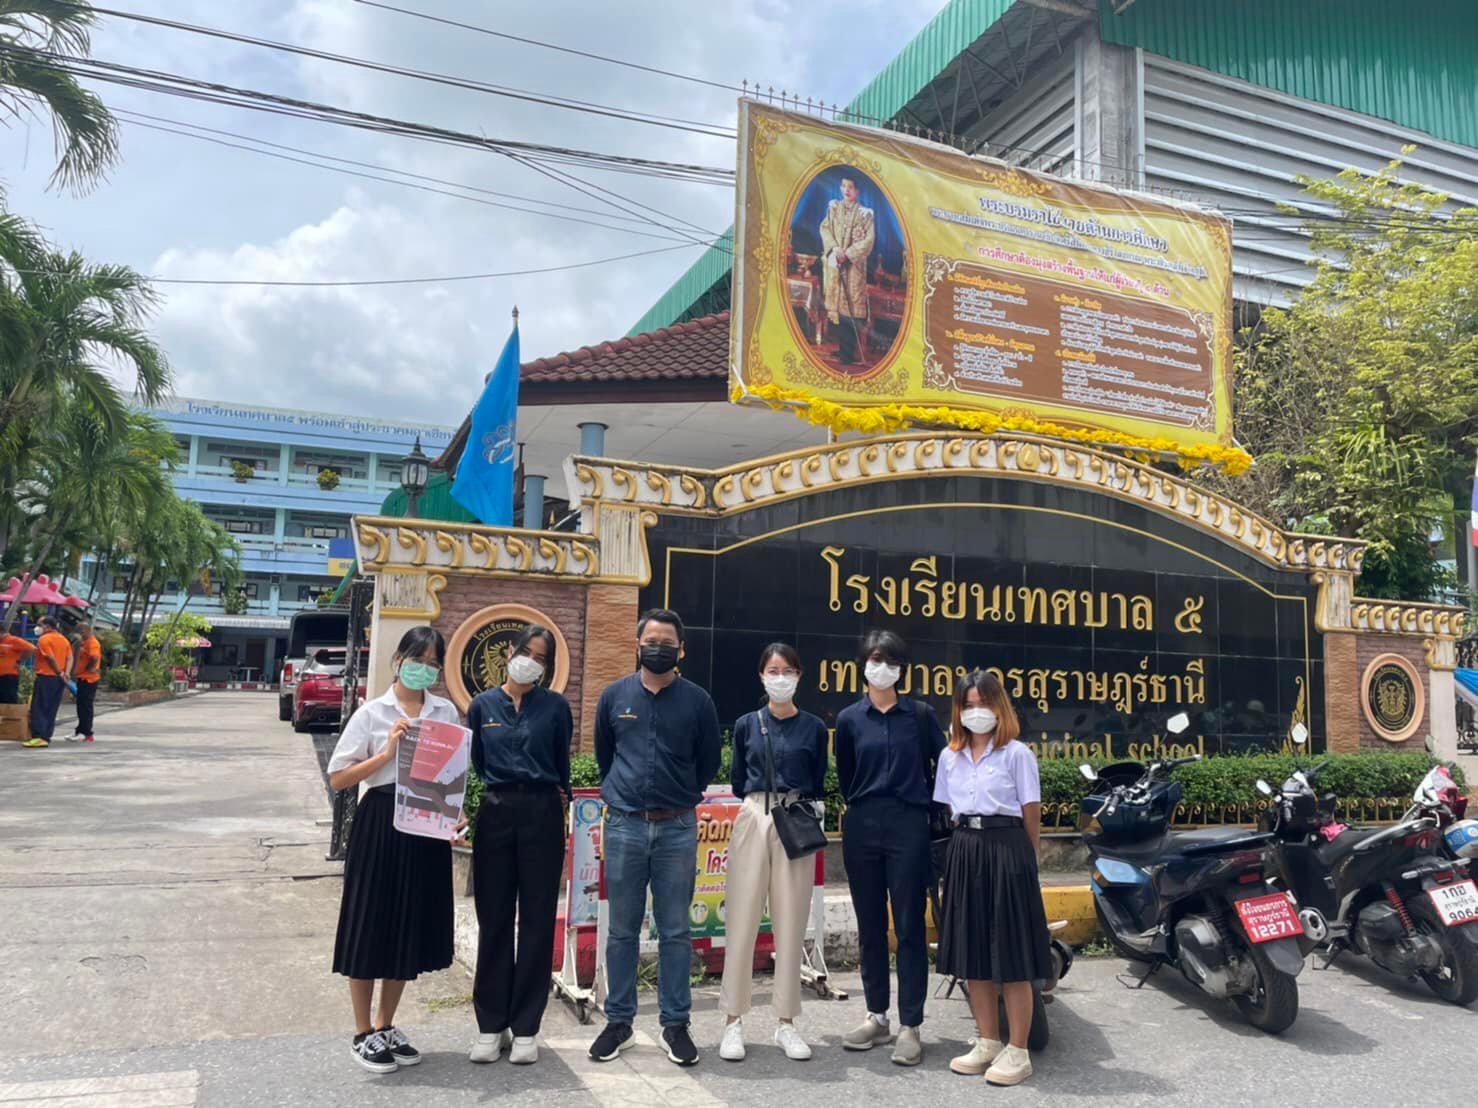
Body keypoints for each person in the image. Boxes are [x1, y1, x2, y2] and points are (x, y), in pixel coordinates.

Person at [588, 608, 721, 1068]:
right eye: (651, 641)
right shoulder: (614, 696)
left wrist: (680, 795)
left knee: (676, 931)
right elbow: (605, 756)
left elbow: (707, 762)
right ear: (637, 645)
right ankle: (619, 1022)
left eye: (667, 643)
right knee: (622, 930)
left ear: (681, 650)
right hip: (624, 824)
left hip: (677, 827)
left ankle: (675, 1024)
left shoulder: (699, 702)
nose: (658, 649)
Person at [327, 626, 459, 1074]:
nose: (424, 668)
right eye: (417, 659)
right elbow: (339, 778)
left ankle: (386, 1024)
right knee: (370, 921)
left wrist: (454, 812)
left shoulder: (445, 712)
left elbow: (451, 773)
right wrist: (385, 755)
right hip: (381, 819)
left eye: (432, 663)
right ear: (398, 660)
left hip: (425, 822)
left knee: (408, 922)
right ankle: (362, 1031)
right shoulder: (371, 713)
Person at [833, 629, 945, 1065]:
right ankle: (876, 1016)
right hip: (862, 823)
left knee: (910, 926)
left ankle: (910, 1024)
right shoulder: (849, 719)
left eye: (891, 660)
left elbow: (944, 766)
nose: (882, 667)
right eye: (875, 659)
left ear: (902, 668)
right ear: (862, 665)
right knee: (870, 926)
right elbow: (846, 775)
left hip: (909, 824)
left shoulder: (920, 715)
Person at [462, 625, 572, 1066]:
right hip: (496, 811)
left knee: (537, 920)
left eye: (541, 658)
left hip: (542, 811)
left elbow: (561, 762)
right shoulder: (482, 706)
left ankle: (526, 1026)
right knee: (493, 918)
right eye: (526, 651)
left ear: (547, 667)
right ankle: (491, 1025)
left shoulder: (556, 707)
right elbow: (478, 762)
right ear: (510, 651)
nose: (531, 661)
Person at [936, 669, 1050, 1087]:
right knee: (973, 952)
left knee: (1012, 952)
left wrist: (1026, 863)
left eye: (983, 704)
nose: (976, 712)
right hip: (966, 847)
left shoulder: (1017, 754)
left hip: (1008, 848)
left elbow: (1031, 813)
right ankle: (987, 1040)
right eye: (968, 705)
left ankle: (1017, 1050)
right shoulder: (949, 756)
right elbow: (950, 811)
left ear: (999, 707)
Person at [718, 643, 830, 1063]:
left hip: (795, 818)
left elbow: (818, 777)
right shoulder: (747, 724)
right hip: (753, 814)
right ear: (761, 675)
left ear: (799, 675)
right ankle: (733, 1020)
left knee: (791, 921)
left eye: (788, 670)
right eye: (773, 670)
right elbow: (737, 779)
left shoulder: (814, 727)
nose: (780, 678)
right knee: (741, 919)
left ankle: (786, 1022)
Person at [819, 175, 875, 365]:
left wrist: (848, 254)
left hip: (853, 268)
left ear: (857, 191)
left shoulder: (865, 214)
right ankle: (843, 349)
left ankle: (848, 353)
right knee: (838, 307)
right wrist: (835, 248)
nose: (846, 190)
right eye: (843, 186)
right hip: (836, 263)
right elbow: (825, 228)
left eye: (850, 187)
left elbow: (868, 241)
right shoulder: (834, 208)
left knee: (851, 308)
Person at [24, 617, 72, 748]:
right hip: (59, 679)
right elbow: (69, 658)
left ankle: (38, 736)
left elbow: (50, 657)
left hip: (46, 676)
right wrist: (66, 673)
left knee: (39, 707)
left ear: (47, 626)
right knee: (51, 708)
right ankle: (46, 736)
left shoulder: (44, 639)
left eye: (40, 625)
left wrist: (58, 671)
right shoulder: (63, 639)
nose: (37, 628)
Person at [70, 621, 102, 742]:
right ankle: (80, 730)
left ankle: (86, 732)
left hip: (89, 679)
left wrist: (90, 667)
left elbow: (94, 657)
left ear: (87, 631)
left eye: (81, 632)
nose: (80, 634)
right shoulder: (83, 642)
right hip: (82, 677)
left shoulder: (92, 643)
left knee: (85, 707)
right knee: (81, 705)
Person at [0, 630, 36, 704]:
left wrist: (19, 661)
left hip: (8, 676)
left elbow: (31, 648)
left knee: (9, 698)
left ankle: (11, 711)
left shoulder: (13, 640)